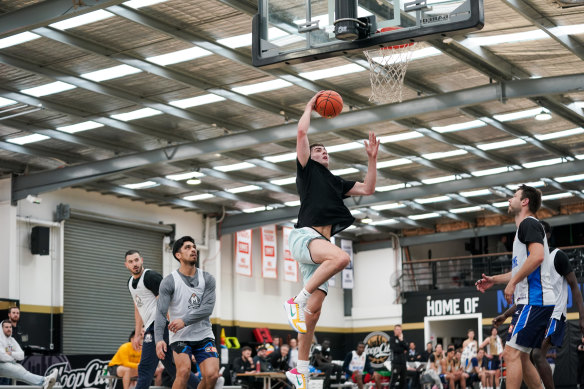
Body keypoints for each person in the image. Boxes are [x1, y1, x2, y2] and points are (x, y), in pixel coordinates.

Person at [284, 91, 380, 389]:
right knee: (341, 258)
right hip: (305, 237)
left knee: (313, 316)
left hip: (319, 248)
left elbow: (368, 189)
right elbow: (301, 132)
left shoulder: (336, 182)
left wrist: (372, 159)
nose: (323, 152)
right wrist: (310, 106)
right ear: (309, 157)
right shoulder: (307, 171)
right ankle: (294, 301)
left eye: (326, 151)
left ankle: (299, 370)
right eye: (318, 150)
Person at [476, 184, 555, 389]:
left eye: (514, 196)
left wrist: (512, 283)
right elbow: (522, 269)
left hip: (535, 300)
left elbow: (537, 257)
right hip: (533, 301)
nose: (509, 199)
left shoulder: (528, 223)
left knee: (510, 353)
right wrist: (495, 279)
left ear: (524, 201)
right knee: (521, 357)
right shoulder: (524, 229)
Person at [493, 219, 584, 389]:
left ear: (546, 235)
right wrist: (505, 315)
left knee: (536, 353)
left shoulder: (557, 256)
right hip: (537, 310)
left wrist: (582, 317)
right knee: (523, 355)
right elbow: (529, 299)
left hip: (555, 314)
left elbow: (574, 286)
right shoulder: (532, 264)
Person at [125, 249, 200, 389]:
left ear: (141, 260)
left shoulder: (150, 277)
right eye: (131, 261)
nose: (134, 264)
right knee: (175, 369)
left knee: (145, 367)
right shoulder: (130, 283)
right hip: (151, 326)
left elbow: (166, 302)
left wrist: (173, 328)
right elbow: (137, 308)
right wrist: (136, 334)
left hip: (159, 326)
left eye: (136, 260)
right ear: (126, 265)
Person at [155, 236, 220, 389]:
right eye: (187, 247)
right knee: (184, 372)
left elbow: (207, 309)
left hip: (203, 334)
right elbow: (160, 312)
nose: (193, 250)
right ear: (178, 255)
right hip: (180, 336)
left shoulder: (207, 278)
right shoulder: (170, 281)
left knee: (212, 375)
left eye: (193, 247)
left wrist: (184, 320)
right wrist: (159, 339)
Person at [0, 320, 58, 389]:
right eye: (6, 327)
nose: (9, 329)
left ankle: (44, 382)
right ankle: (44, 380)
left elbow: (21, 355)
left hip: (11, 363)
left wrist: (11, 353)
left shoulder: (12, 340)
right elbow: (2, 357)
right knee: (20, 372)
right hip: (1, 364)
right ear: (1, 328)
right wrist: (13, 356)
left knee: (24, 373)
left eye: (10, 327)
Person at [389, 325, 408, 389]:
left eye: (400, 329)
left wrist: (402, 340)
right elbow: (394, 349)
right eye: (397, 329)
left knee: (403, 381)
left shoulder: (403, 339)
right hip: (396, 363)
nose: (399, 331)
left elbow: (407, 348)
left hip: (403, 363)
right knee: (393, 380)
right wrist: (403, 349)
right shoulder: (392, 339)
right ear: (394, 331)